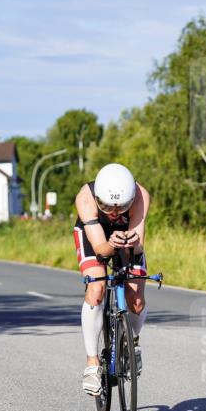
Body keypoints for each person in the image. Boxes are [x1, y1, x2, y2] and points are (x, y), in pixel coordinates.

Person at [73, 163, 150, 396]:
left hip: (128, 238)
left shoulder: (141, 196)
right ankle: (92, 363)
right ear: (97, 198)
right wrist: (111, 244)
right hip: (94, 237)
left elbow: (138, 248)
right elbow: (99, 248)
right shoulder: (85, 199)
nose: (115, 213)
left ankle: (132, 343)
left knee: (136, 299)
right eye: (107, 206)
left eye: (121, 207)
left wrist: (130, 244)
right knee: (96, 289)